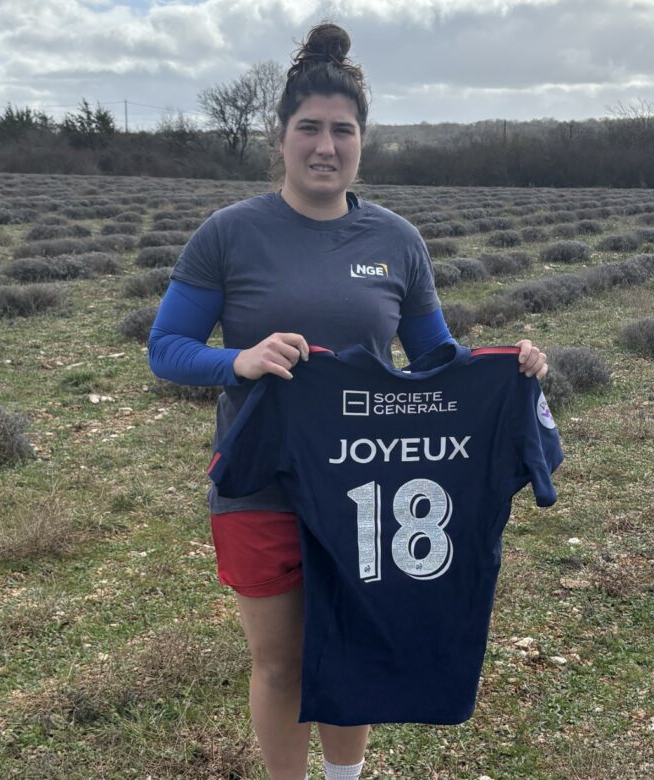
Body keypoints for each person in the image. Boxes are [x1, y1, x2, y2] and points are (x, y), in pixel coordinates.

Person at [148, 21, 549, 780]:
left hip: (368, 486)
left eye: (342, 130)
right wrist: (241, 359)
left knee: (351, 642)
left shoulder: (396, 240)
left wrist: (510, 366)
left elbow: (437, 360)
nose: (325, 145)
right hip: (258, 482)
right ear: (280, 136)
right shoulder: (228, 234)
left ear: (363, 139)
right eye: (309, 129)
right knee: (281, 661)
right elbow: (166, 348)